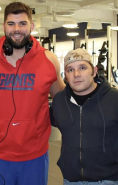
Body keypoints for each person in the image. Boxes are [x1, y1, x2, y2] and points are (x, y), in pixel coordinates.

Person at [0, 2, 65, 185]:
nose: (17, 29)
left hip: (34, 156)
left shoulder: (49, 60)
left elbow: (63, 100)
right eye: (11, 24)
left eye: (22, 23)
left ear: (31, 26)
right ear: (3, 27)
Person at [50, 48, 118, 185]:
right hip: (71, 180)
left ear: (94, 71)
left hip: (108, 180)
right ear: (65, 75)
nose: (76, 74)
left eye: (82, 68)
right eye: (70, 70)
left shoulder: (114, 99)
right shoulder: (60, 101)